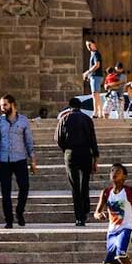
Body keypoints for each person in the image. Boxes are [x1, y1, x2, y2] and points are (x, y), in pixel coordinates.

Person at [0, 94, 37, 229]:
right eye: (1, 105)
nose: (2, 108)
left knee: (24, 187)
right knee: (6, 191)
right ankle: (9, 220)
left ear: (12, 104)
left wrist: (33, 159)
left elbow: (28, 141)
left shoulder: (23, 121)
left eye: (5, 105)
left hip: (20, 159)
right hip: (4, 160)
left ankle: (19, 211)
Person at [56, 96, 99, 227]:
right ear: (80, 107)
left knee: (75, 186)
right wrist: (95, 157)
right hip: (86, 153)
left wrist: (66, 149)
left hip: (71, 153)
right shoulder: (87, 119)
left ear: (70, 107)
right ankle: (85, 211)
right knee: (84, 184)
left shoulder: (64, 119)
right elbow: (93, 139)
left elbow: (58, 138)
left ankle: (79, 217)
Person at [83, 40, 104, 119]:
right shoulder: (93, 54)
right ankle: (100, 113)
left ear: (94, 44)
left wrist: (87, 72)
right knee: (96, 95)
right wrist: (89, 75)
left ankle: (95, 113)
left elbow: (97, 65)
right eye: (87, 45)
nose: (88, 47)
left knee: (95, 95)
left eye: (89, 44)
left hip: (96, 76)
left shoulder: (96, 54)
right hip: (94, 76)